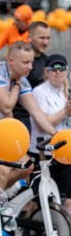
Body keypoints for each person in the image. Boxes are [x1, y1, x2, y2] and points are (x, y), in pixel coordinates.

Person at [0, 41, 57, 196]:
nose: (31, 67)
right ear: (11, 60)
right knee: (3, 171)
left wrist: (56, 134)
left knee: (27, 166)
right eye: (26, 62)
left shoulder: (21, 80)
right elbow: (5, 106)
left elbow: (36, 112)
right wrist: (17, 87)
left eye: (31, 62)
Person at [29, 54, 71, 214]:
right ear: (46, 72)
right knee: (42, 199)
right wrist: (65, 111)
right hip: (44, 151)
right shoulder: (39, 92)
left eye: (62, 68)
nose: (58, 72)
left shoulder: (65, 91)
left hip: (65, 150)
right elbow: (44, 123)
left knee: (67, 197)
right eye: (54, 69)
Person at [13, 21, 51, 130]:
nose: (45, 42)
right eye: (42, 38)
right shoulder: (18, 58)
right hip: (19, 115)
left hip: (40, 114)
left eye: (48, 38)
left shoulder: (46, 61)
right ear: (30, 37)